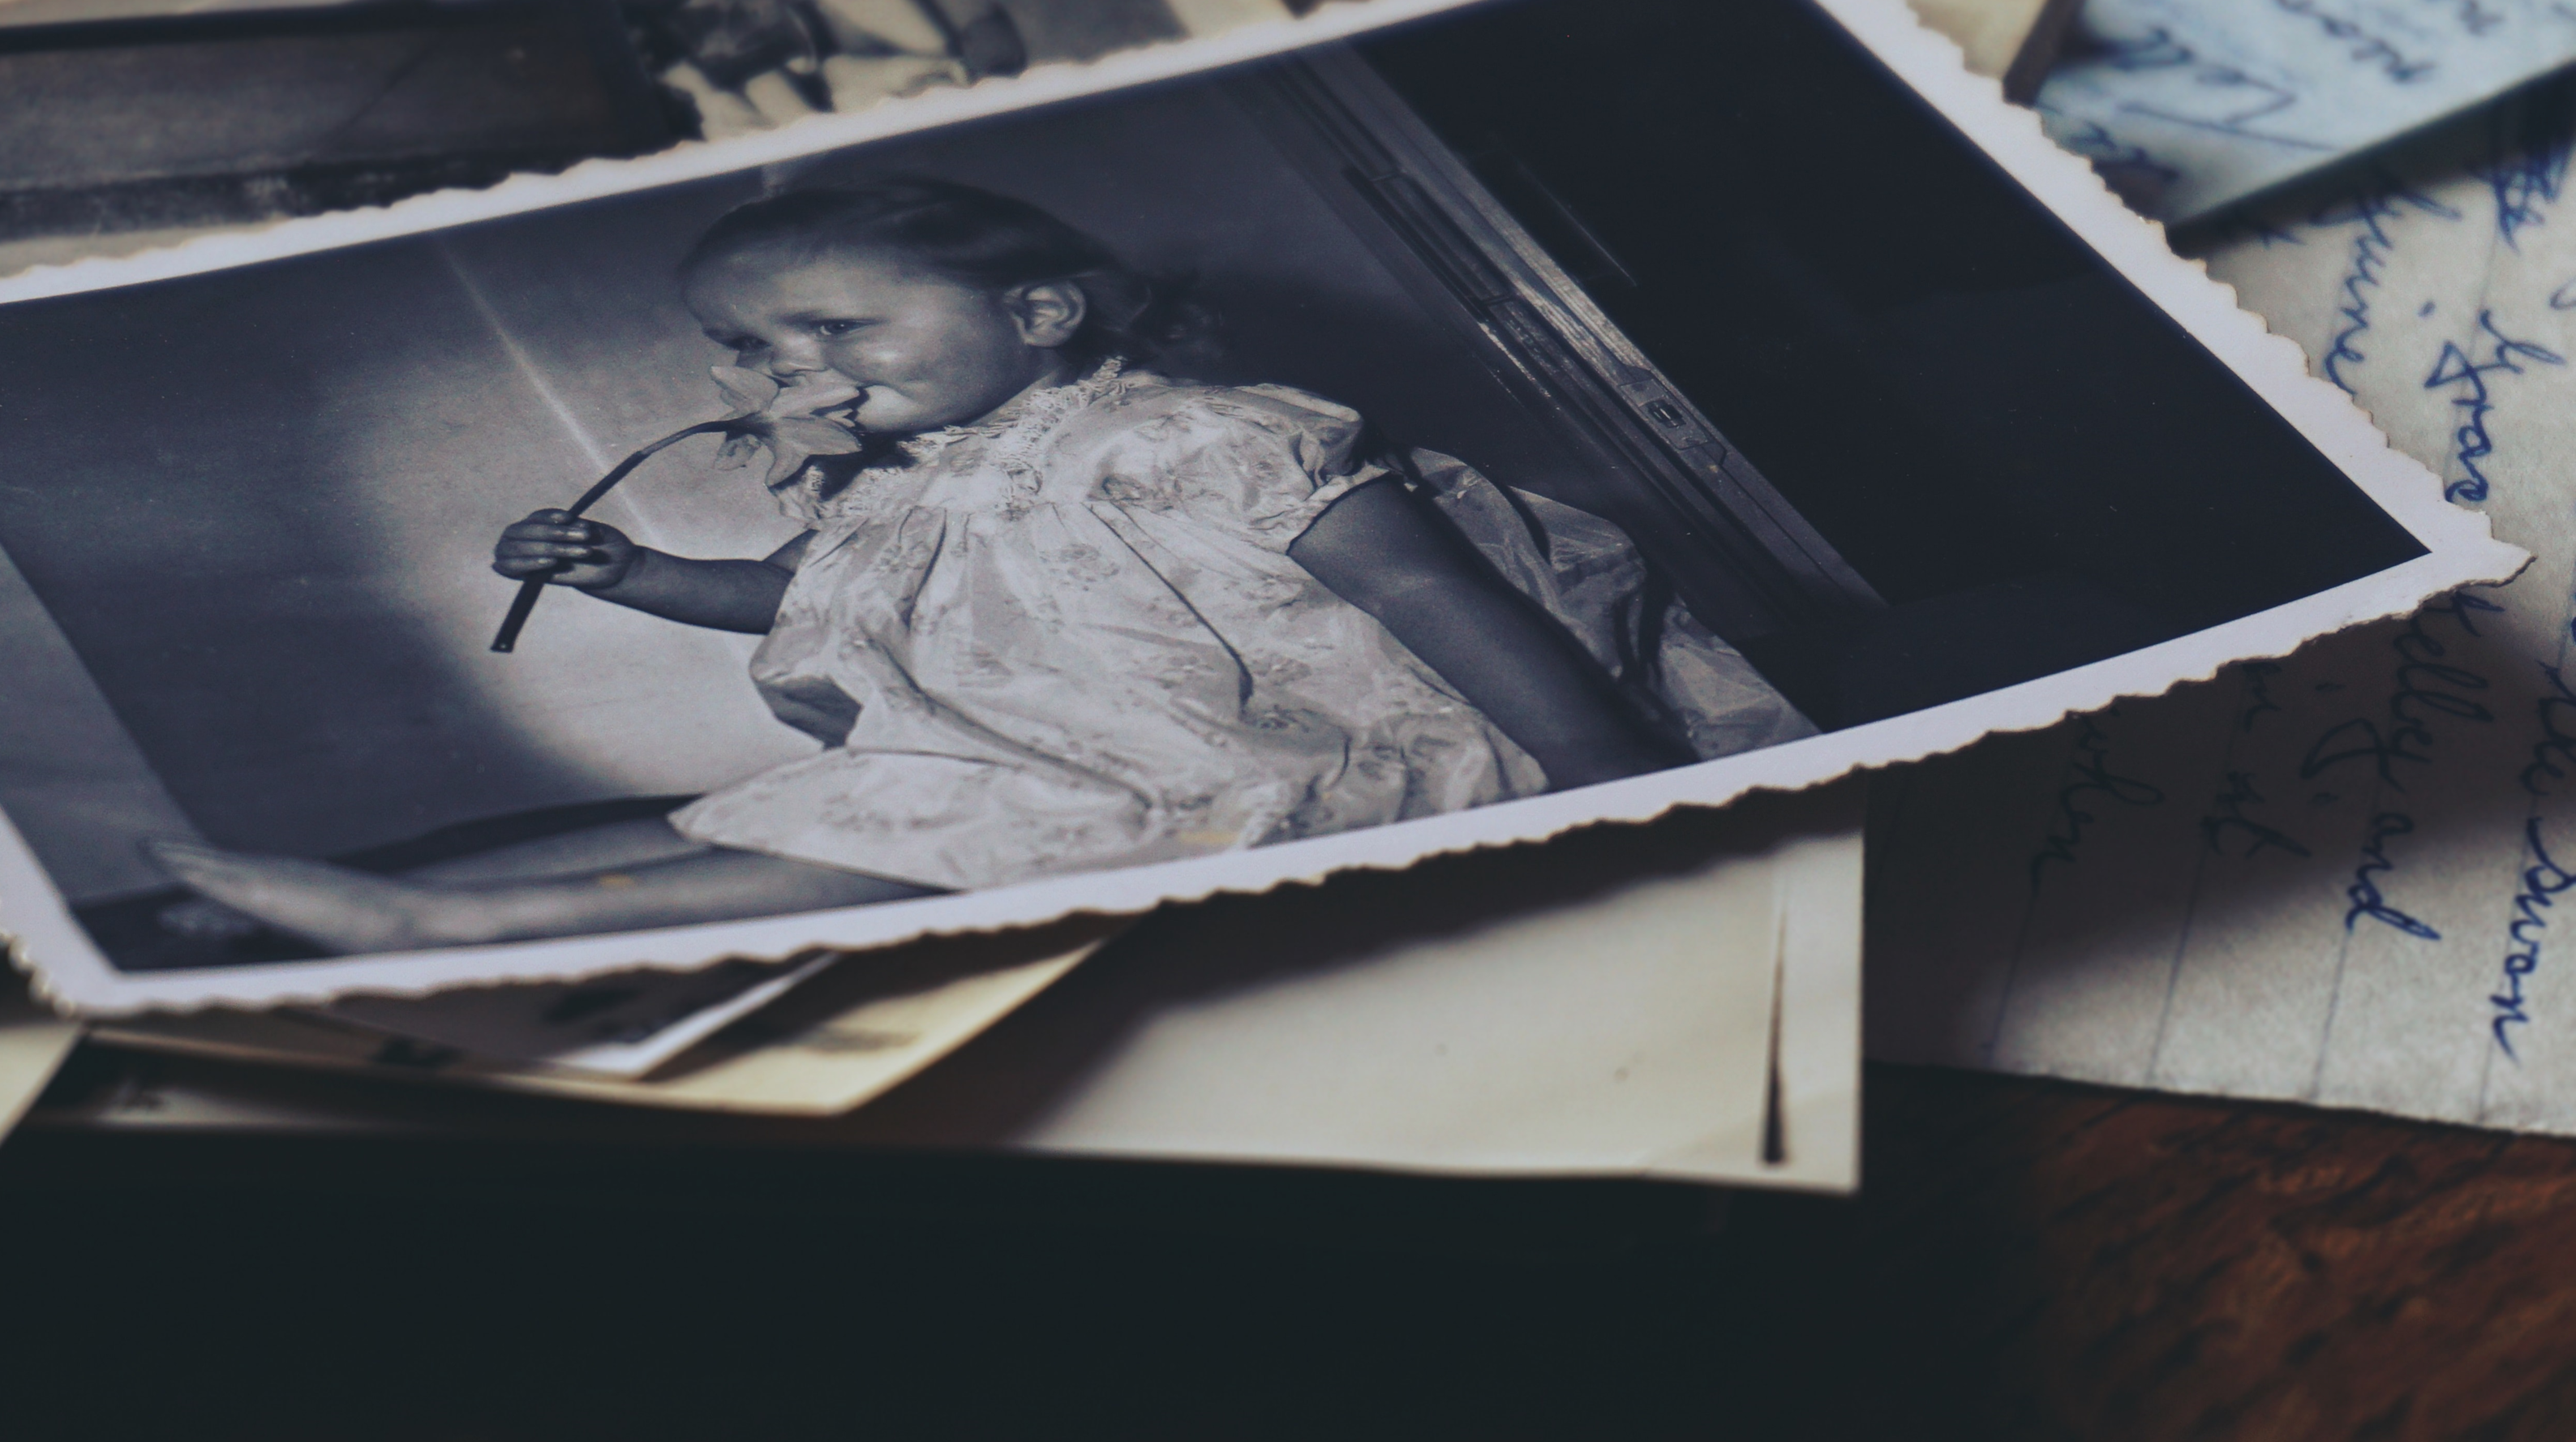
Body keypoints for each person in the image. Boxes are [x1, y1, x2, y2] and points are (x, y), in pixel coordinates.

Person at [156, 179, 1775, 955]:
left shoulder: (1203, 439)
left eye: (837, 330)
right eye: (744, 346)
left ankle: (452, 928)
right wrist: (630, 572)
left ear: (1040, 316)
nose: (782, 369)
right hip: (1067, 750)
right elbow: (792, 599)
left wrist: (1605, 783)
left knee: (946, 826)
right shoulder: (901, 481)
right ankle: (403, 909)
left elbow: (1439, 603)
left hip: (1301, 759)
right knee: (796, 809)